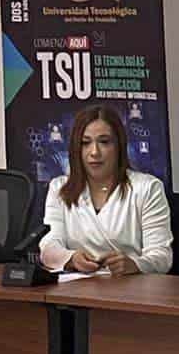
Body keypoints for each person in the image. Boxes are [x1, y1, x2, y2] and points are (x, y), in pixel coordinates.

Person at [38, 104, 172, 276]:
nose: (94, 152)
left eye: (104, 142)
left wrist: (135, 265)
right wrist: (71, 258)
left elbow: (162, 257)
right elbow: (49, 248)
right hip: (76, 292)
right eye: (85, 143)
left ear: (119, 146)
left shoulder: (147, 188)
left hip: (131, 292)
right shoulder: (59, 188)